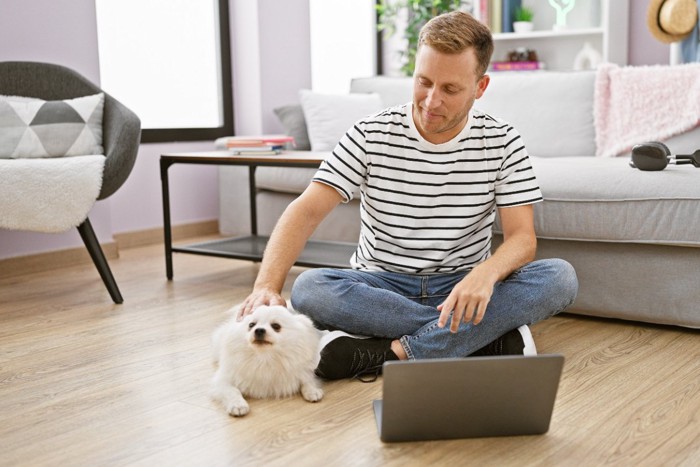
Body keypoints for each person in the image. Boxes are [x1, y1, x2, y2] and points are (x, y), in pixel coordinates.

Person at [238, 11, 578, 380]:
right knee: (309, 289)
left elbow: (522, 239)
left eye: (450, 89)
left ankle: (394, 352)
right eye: (423, 82)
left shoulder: (503, 141)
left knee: (560, 278)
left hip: (461, 282)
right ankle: (479, 339)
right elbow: (304, 212)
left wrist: (486, 274)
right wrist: (266, 287)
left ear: (480, 87)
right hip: (380, 285)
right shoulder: (370, 133)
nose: (431, 101)